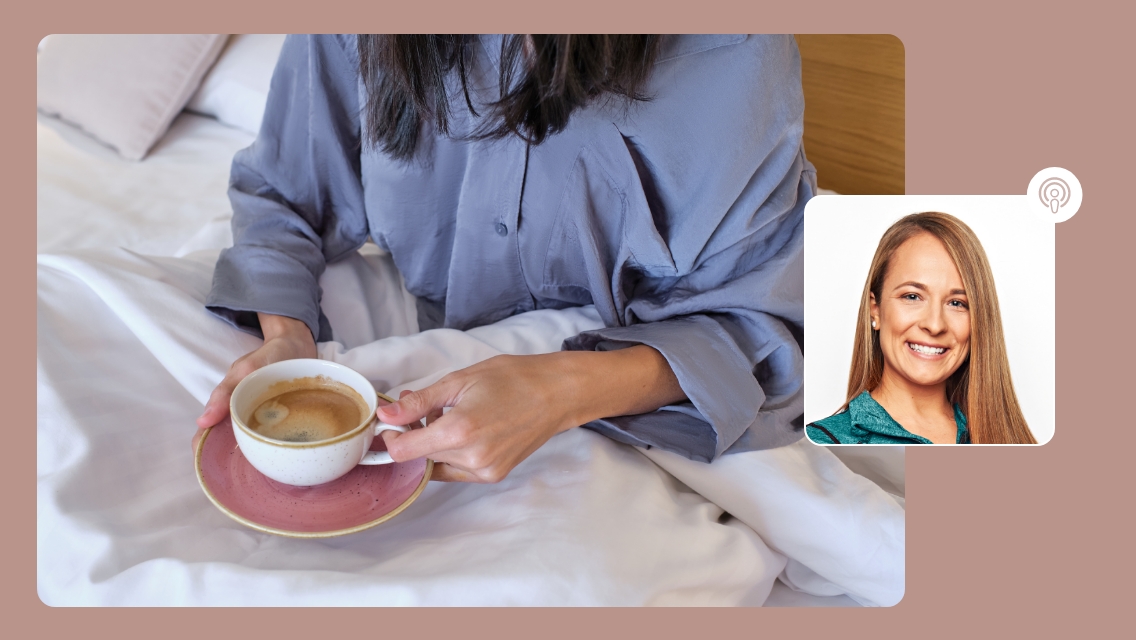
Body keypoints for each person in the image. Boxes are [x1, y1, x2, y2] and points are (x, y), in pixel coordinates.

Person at [195, 34, 814, 481]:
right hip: (414, 344)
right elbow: (285, 192)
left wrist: (560, 391)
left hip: (627, 399)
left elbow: (771, 331)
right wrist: (285, 342)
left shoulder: (732, 48)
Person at [806, 212, 1036, 445]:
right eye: (912, 296)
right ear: (875, 309)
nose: (935, 325)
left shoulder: (1014, 442)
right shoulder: (821, 445)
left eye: (957, 303)